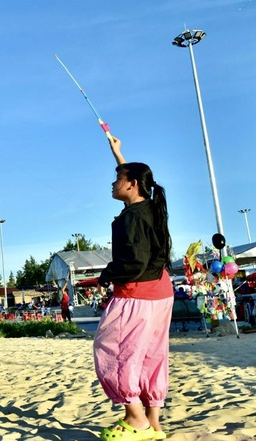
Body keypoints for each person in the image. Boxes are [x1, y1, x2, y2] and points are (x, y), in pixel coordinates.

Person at [94, 135, 173, 441]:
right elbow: (137, 175)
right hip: (160, 290)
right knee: (151, 353)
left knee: (113, 349)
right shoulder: (151, 206)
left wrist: (107, 274)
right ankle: (154, 424)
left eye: (118, 178)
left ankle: (135, 418)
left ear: (133, 185)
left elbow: (135, 261)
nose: (113, 183)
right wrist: (118, 154)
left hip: (136, 292)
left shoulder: (133, 218)